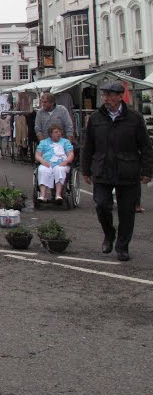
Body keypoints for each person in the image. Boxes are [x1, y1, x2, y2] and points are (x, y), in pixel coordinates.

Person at [82, 81, 153, 262]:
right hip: (102, 168)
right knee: (101, 204)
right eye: (104, 95)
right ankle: (109, 234)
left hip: (127, 169)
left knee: (127, 212)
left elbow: (145, 146)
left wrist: (147, 171)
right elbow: (88, 145)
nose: (106, 98)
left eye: (110, 95)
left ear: (120, 97)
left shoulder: (135, 118)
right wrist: (85, 169)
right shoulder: (96, 118)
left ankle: (122, 247)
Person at [35, 123, 74, 203]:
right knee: (42, 170)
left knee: (59, 170)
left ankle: (58, 195)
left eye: (59, 132)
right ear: (51, 134)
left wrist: (66, 161)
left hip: (61, 164)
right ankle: (43, 195)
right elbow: (37, 155)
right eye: (56, 132)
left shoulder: (65, 142)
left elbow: (70, 154)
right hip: (47, 163)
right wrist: (42, 161)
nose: (59, 133)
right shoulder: (44, 142)